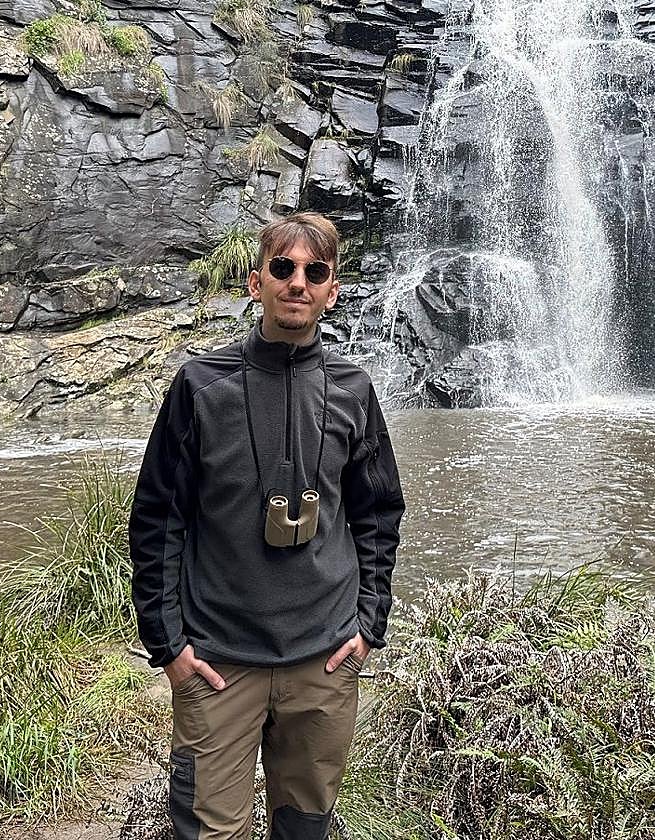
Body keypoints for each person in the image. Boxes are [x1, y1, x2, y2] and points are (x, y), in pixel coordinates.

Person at [128, 211, 405, 840]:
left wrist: (369, 623)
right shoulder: (201, 386)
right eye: (283, 269)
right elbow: (157, 518)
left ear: (333, 289)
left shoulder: (354, 390)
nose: (297, 283)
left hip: (324, 661)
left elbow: (379, 512)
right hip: (220, 661)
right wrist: (167, 644)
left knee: (305, 828)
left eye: (315, 272)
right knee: (207, 832)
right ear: (257, 283)